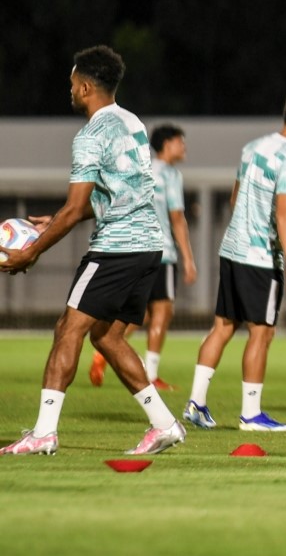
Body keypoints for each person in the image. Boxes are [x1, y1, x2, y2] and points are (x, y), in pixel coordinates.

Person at [0, 45, 186, 456]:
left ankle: (44, 433)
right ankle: (165, 424)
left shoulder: (90, 136)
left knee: (68, 329)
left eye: (71, 84)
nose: (69, 91)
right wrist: (57, 218)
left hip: (116, 249)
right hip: (149, 248)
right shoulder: (133, 124)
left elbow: (75, 209)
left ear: (85, 87)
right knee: (107, 336)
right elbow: (110, 197)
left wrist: (31, 253)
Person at [183, 88, 286, 432]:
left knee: (221, 327)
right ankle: (251, 415)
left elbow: (236, 199)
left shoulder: (253, 147)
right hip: (261, 258)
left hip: (232, 249)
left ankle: (196, 403)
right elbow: (284, 214)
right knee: (262, 333)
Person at [88, 123, 197, 390]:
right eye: (180, 141)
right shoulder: (171, 175)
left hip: (134, 250)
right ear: (167, 144)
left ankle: (104, 349)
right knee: (163, 311)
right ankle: (151, 374)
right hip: (162, 252)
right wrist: (189, 258)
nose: (183, 146)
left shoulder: (140, 168)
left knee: (142, 314)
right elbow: (177, 217)